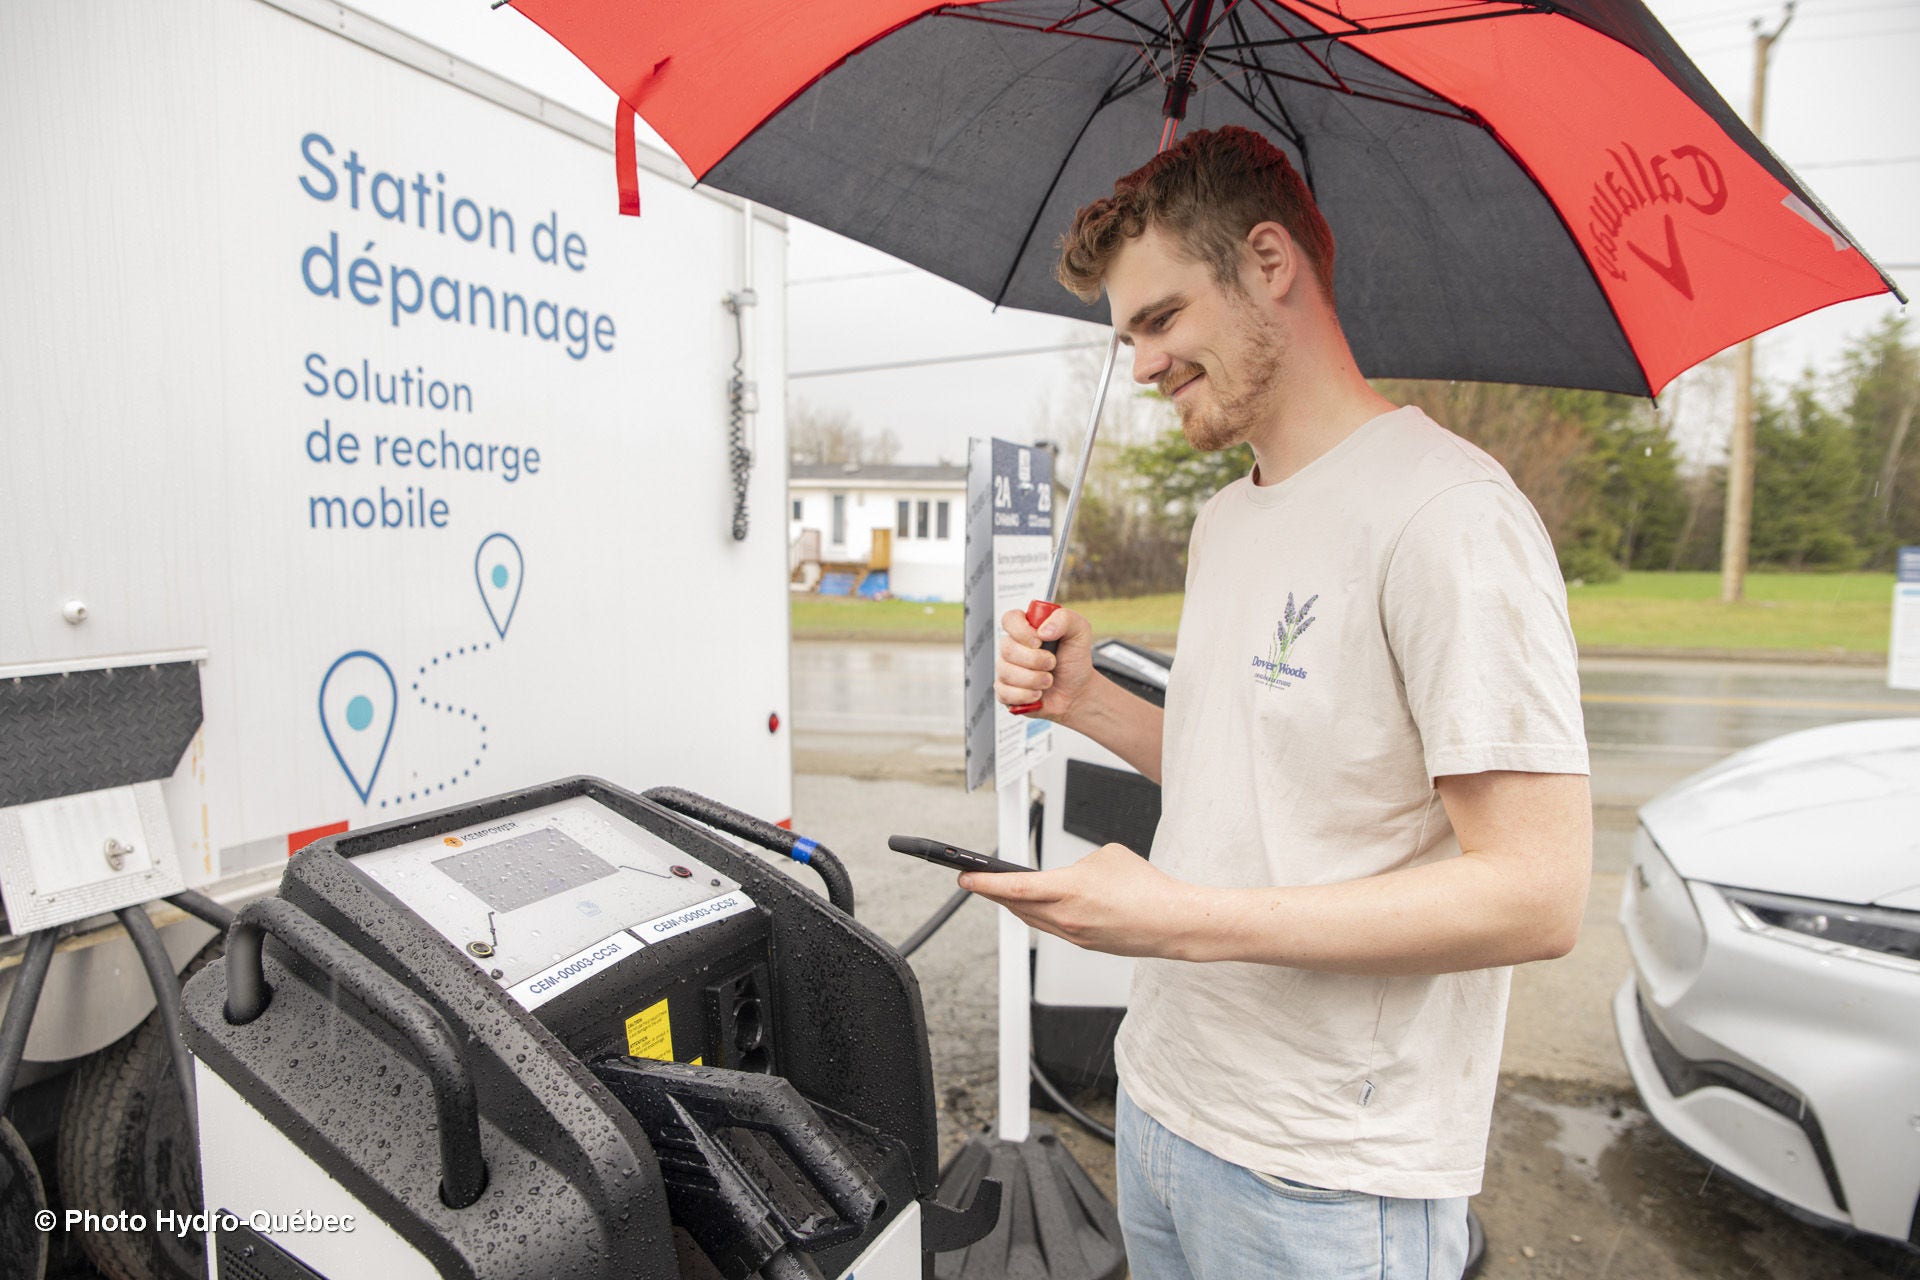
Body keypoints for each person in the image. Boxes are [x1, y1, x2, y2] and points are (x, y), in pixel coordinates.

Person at [972, 126, 1593, 1280]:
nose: (1143, 364)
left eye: (1160, 319)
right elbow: (1251, 773)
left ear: (1269, 261)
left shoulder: (1448, 516)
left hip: (1325, 1172)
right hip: (1165, 1103)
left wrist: (1173, 917)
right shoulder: (1230, 517)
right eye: (1128, 336)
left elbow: (1538, 891)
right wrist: (1087, 701)